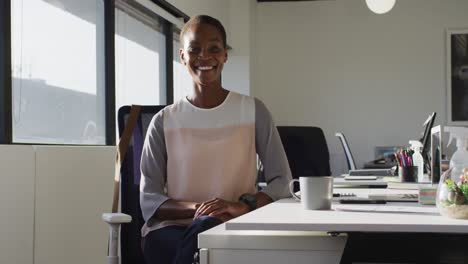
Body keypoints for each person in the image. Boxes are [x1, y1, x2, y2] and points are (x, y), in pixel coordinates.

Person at [140, 14, 292, 264]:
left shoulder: (254, 111)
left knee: (208, 239)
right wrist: (201, 208)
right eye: (194, 49)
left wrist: (242, 206)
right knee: (200, 238)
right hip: (173, 228)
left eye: (214, 48)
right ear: (182, 56)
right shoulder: (163, 121)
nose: (205, 56)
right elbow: (150, 199)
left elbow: (282, 181)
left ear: (225, 55)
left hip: (235, 223)